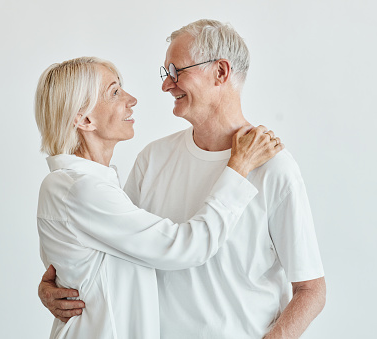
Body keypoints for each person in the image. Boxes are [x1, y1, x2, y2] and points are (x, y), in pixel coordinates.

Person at [40, 20, 326, 338]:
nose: (166, 85)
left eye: (177, 71)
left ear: (220, 72)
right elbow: (120, 248)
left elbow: (311, 289)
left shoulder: (274, 168)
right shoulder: (153, 159)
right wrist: (63, 278)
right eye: (166, 74)